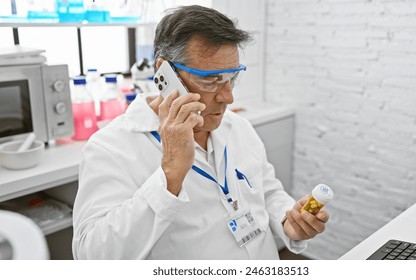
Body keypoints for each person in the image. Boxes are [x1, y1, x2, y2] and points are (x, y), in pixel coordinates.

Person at [72, 5, 329, 260]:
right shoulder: (110, 148)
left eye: (231, 77)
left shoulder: (238, 127)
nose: (228, 96)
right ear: (165, 72)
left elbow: (267, 192)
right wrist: (170, 174)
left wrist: (288, 220)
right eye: (210, 79)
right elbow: (92, 256)